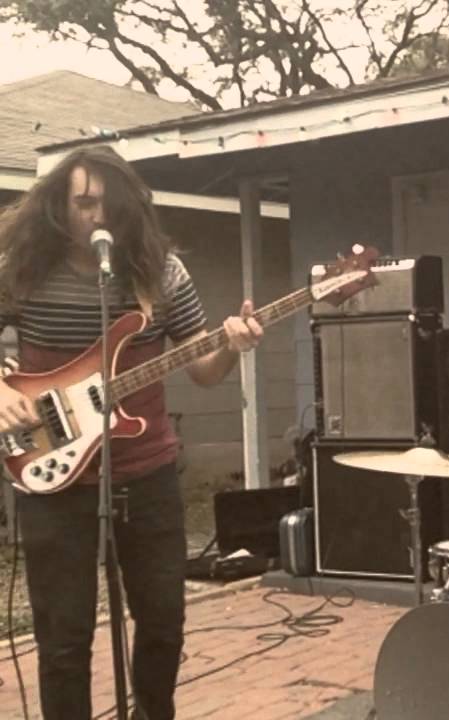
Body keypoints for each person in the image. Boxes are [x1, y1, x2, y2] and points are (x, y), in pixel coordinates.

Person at [0, 146, 263, 720]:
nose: (97, 216)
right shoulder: (21, 269)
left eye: (108, 204)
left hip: (147, 472)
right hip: (54, 477)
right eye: (83, 203)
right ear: (57, 205)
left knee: (164, 621)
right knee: (63, 638)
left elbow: (203, 369)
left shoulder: (162, 273)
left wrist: (231, 346)